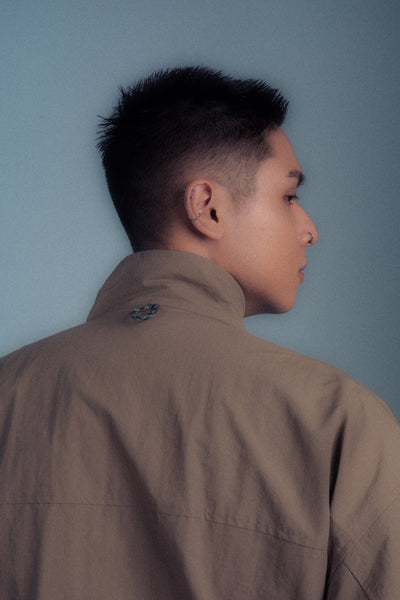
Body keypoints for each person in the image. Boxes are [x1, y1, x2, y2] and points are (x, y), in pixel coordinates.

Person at [0, 66, 399, 599]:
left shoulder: (9, 391)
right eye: (288, 196)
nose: (309, 230)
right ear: (206, 207)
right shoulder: (338, 419)